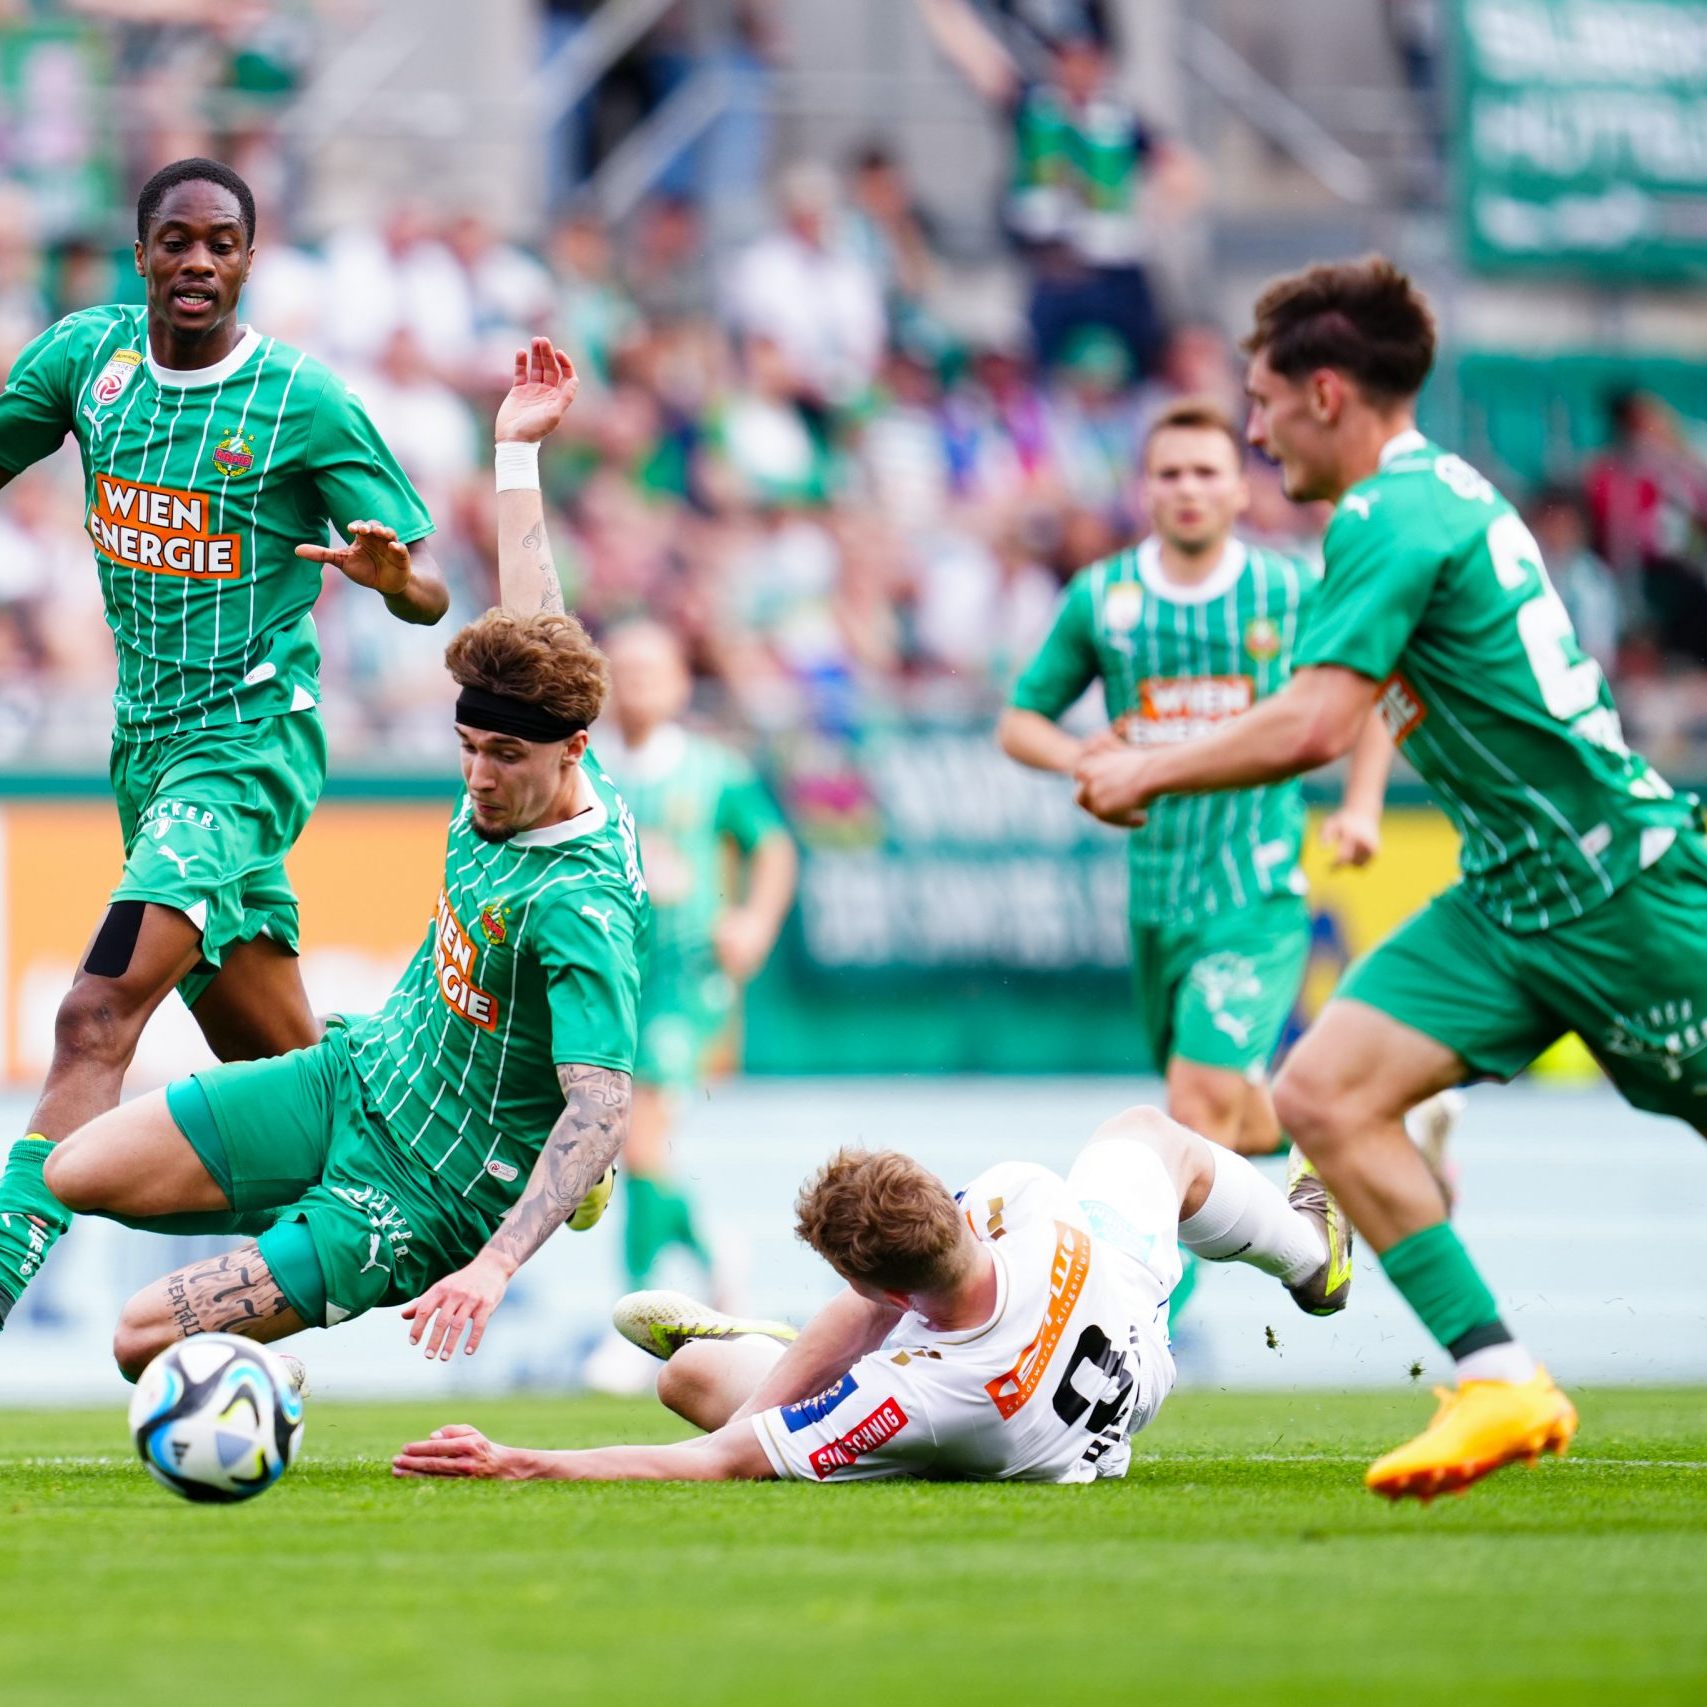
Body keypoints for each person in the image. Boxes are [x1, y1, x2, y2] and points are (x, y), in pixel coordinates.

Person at [1075, 256, 1707, 1499]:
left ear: (1323, 394)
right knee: (1321, 1093)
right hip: (1515, 896)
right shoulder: (1421, 501)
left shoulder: (1386, 514)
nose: (1251, 435)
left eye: (1259, 405)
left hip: (1621, 895)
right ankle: (1502, 1378)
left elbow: (1315, 722)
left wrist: (1153, 770)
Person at [39, 340, 647, 1372]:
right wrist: (513, 452)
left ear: (572, 753)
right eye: (467, 749)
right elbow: (537, 619)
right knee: (78, 1173)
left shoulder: (582, 903)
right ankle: (291, 1260)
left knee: (140, 1342)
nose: (479, 778)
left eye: (504, 757)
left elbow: (603, 1107)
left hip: (425, 1192)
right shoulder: (535, 723)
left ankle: (320, 1272)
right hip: (354, 1079)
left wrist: (491, 1268)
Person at [0, 157, 448, 1330]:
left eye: (222, 244)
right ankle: (451, 1168)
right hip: (146, 757)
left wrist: (396, 580)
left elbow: (430, 589)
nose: (198, 261)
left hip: (246, 744)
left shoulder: (303, 401)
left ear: (249, 261)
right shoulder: (87, 365)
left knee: (94, 1019)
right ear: (140, 253)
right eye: (176, 241)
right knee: (292, 1091)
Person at [391, 1102, 1348, 1484]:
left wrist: (530, 1461)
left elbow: (717, 1468)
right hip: (1126, 1318)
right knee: (1147, 1133)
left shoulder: (915, 1396)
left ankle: (775, 1354)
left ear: (867, 1283)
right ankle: (1311, 1255)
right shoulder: (1028, 1201)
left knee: (690, 1378)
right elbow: (899, 1285)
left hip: (986, 1411)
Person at [1000, 397, 1396, 1163]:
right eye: (1169, 473)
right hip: (1156, 897)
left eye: (1206, 472)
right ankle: (1373, 1124)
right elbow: (1020, 721)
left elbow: (1373, 688)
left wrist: (1362, 803)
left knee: (1191, 1107)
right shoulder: (1102, 598)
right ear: (1143, 488)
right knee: (1226, 1113)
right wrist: (1080, 757)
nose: (1188, 488)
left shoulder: (1289, 590)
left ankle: (1146, 1284)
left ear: (1241, 487)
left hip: (1254, 890)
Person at [594, 622, 798, 1338]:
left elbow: (772, 846)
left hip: (686, 977)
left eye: (653, 668)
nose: (639, 683)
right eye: (624, 669)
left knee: (640, 1136)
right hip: (611, 978)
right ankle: (711, 1243)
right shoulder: (587, 771)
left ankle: (636, 1315)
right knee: (622, 1141)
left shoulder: (714, 769)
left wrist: (754, 922)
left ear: (681, 681)